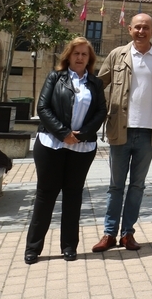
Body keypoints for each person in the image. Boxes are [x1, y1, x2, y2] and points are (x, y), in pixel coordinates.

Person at [93, 13, 152, 253]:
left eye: (146, 28)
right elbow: (98, 86)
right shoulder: (116, 55)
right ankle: (109, 233)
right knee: (115, 186)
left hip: (149, 132)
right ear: (130, 29)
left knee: (137, 186)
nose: (141, 31)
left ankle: (127, 233)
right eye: (137, 27)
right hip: (121, 129)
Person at [24, 37, 106, 264]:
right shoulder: (55, 77)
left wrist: (83, 134)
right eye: (76, 53)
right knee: (46, 195)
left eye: (84, 54)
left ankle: (69, 246)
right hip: (51, 144)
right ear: (68, 56)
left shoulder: (95, 84)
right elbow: (43, 107)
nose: (80, 57)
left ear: (89, 59)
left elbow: (101, 112)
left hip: (82, 147)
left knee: (73, 195)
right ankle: (33, 248)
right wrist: (63, 134)